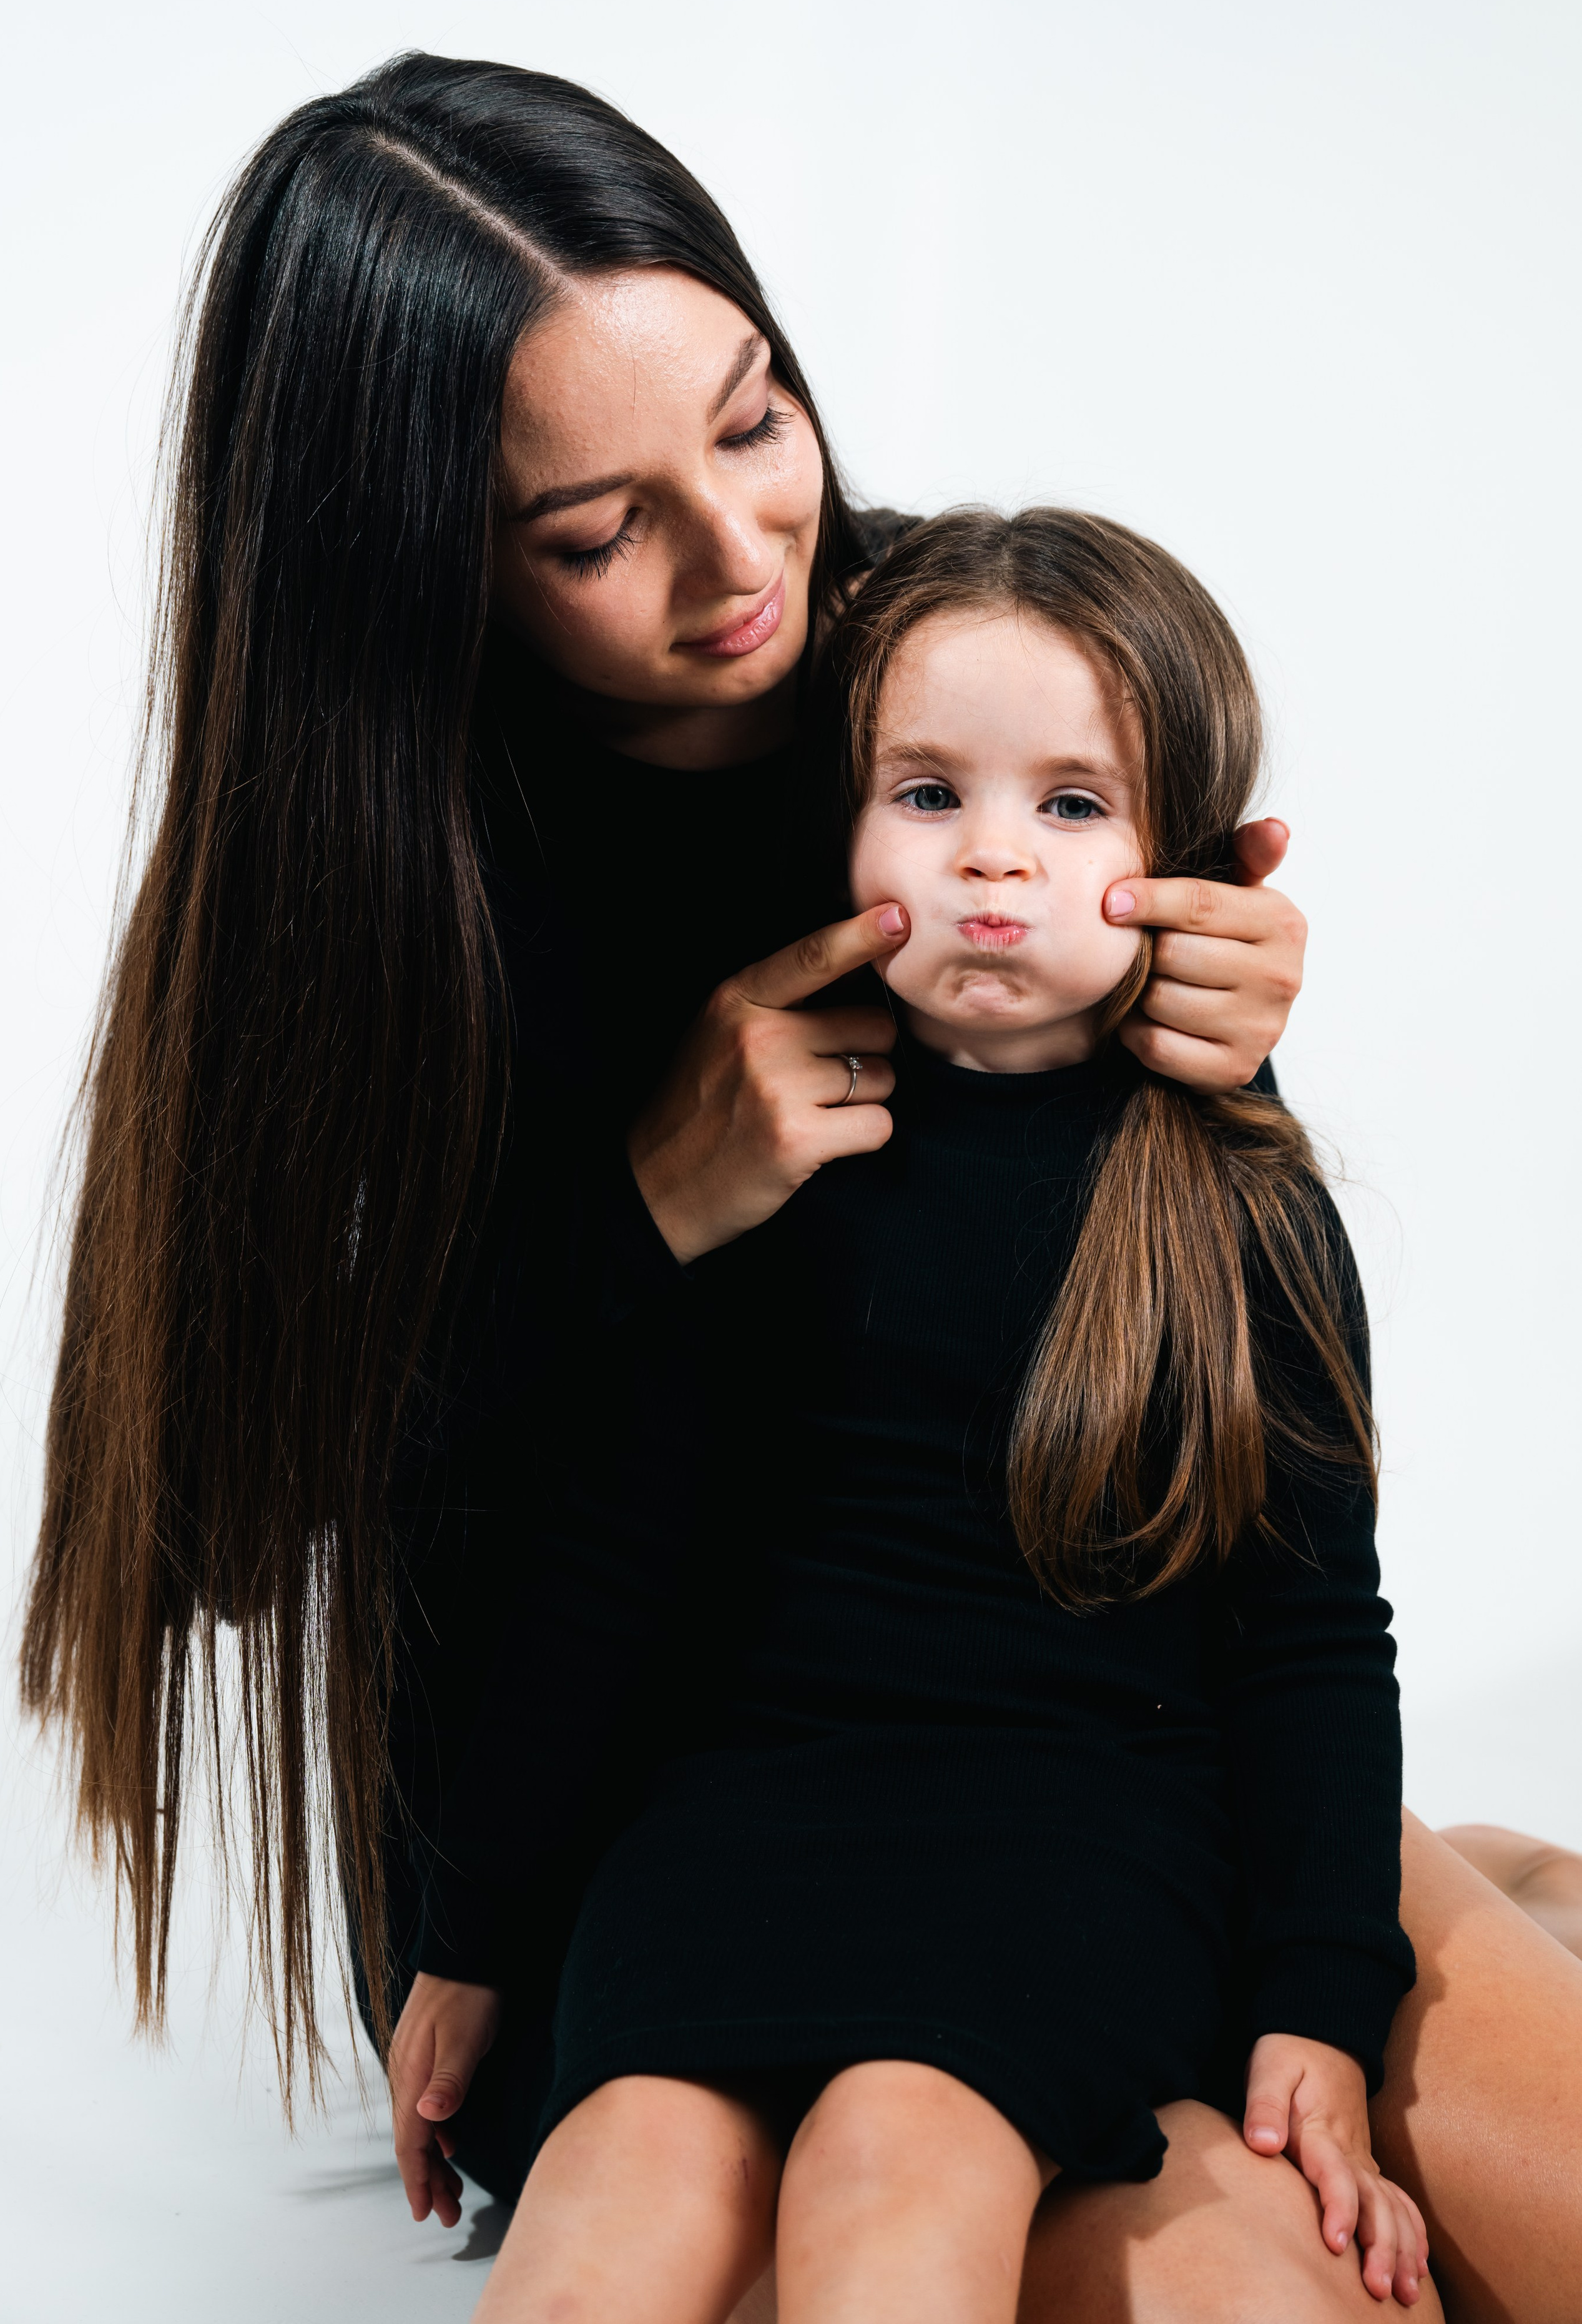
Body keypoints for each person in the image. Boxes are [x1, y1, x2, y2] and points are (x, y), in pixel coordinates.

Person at [16, 53, 1581, 2321]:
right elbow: (235, 1525)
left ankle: (1455, 1886)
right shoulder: (368, 906)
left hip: (1088, 1753)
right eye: (593, 530)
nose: (746, 560)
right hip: (638, 1826)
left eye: (753, 421)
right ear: (424, 569)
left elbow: (1098, 1250)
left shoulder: (928, 690)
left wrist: (1205, 1024)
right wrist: (635, 1208)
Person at [454, 505, 1434, 2323]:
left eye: (1073, 806)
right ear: (837, 821)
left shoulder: (1234, 1199)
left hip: (1070, 1834)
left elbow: (1310, 1638)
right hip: (737, 1817)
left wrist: (1318, 2000)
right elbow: (614, 1559)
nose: (995, 858)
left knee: (900, 2166)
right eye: (929, 792)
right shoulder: (771, 1147)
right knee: (616, 2183)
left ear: (1195, 862)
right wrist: (477, 1934)